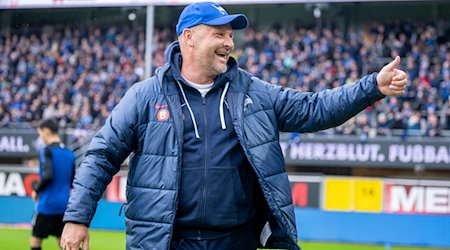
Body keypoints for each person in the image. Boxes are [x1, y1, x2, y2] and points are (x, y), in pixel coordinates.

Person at [60, 2, 408, 250]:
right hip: (166, 242)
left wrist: (371, 87)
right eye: (219, 34)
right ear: (189, 37)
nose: (229, 42)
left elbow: (313, 109)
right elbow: (101, 155)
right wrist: (77, 218)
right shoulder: (144, 97)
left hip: (236, 241)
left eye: (230, 35)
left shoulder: (253, 93)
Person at [30, 119, 76, 250]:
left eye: (40, 134)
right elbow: (72, 180)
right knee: (64, 243)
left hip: (47, 204)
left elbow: (48, 175)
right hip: (64, 206)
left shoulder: (46, 151)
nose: (41, 137)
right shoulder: (70, 154)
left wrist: (36, 190)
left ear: (46, 131)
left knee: (35, 241)